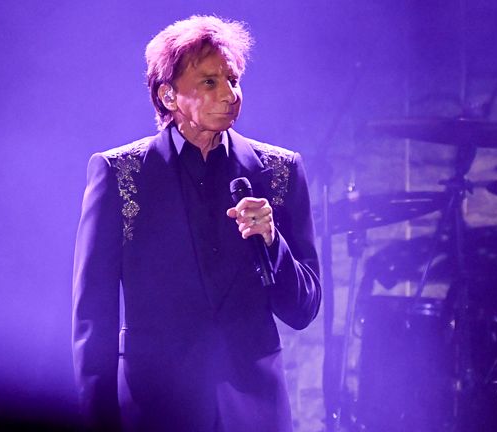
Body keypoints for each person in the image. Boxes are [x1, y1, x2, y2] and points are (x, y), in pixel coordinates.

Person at [72, 15, 321, 432]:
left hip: (253, 409)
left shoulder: (279, 172)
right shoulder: (121, 174)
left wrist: (272, 241)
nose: (230, 94)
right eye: (209, 82)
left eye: (233, 80)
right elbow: (93, 317)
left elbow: (303, 309)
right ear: (168, 95)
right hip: (156, 407)